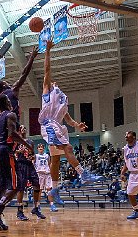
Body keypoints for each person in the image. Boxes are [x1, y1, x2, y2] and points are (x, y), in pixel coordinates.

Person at [0, 47, 39, 184]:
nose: (8, 82)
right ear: (4, 85)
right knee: (11, 147)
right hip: (11, 123)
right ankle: (16, 175)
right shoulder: (13, 91)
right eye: (6, 82)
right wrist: (32, 58)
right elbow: (24, 74)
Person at [38, 40, 88, 205]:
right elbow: (47, 70)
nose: (54, 83)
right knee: (67, 148)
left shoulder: (61, 99)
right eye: (52, 83)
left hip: (57, 125)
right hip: (48, 124)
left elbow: (67, 118)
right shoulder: (46, 90)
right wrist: (47, 51)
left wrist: (77, 125)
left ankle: (54, 191)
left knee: (56, 160)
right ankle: (83, 173)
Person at [0, 94, 34, 231]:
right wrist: (27, 145)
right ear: (6, 103)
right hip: (4, 150)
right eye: (8, 100)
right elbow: (12, 134)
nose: (10, 102)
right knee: (16, 184)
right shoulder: (10, 115)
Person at [15, 125, 45, 221]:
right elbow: (12, 152)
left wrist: (32, 157)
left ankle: (36, 208)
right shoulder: (16, 141)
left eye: (24, 128)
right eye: (21, 128)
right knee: (21, 188)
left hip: (29, 165)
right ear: (18, 131)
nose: (23, 129)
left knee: (37, 185)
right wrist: (19, 151)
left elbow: (32, 154)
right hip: (20, 165)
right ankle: (20, 211)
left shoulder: (30, 142)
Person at [34, 143, 58, 212]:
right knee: (39, 190)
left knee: (49, 189)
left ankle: (52, 205)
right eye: (39, 147)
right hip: (39, 174)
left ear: (44, 148)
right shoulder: (36, 156)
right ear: (37, 149)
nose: (41, 148)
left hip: (47, 174)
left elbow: (50, 163)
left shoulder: (47, 155)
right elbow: (33, 164)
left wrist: (51, 172)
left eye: (42, 147)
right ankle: (38, 205)